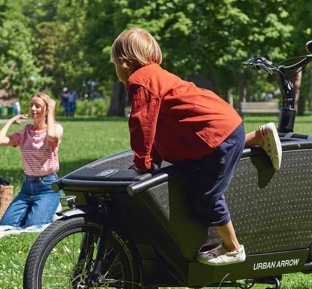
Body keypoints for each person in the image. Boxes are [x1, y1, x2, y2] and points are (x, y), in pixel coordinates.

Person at [110, 28, 282, 266]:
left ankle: (233, 248)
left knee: (207, 196)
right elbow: (165, 126)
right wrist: (156, 156)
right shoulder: (156, 75)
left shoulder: (140, 81)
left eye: (114, 64)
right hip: (223, 125)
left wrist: (143, 162)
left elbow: (142, 124)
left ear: (124, 61)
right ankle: (257, 137)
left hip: (218, 132)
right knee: (198, 167)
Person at [0, 93, 62, 228]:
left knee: (33, 226)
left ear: (46, 110)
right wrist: (10, 121)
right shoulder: (26, 131)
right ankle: (37, 209)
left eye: (38, 106)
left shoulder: (56, 128)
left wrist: (51, 111)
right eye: (31, 105)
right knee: (6, 225)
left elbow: (51, 136)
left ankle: (53, 207)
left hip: (47, 187)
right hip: (27, 187)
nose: (33, 109)